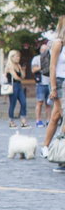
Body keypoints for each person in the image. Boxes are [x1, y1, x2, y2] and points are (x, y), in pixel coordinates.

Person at [41, 16, 65, 156]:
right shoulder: (58, 43)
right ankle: (56, 147)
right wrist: (54, 87)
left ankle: (49, 145)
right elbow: (52, 66)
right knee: (59, 114)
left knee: (56, 115)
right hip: (60, 82)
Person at [5, 50, 28, 128]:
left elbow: (23, 76)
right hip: (13, 86)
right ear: (12, 57)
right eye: (17, 56)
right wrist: (21, 79)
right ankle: (11, 120)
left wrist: (23, 70)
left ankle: (23, 120)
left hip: (19, 85)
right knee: (13, 103)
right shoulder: (9, 65)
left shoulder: (18, 65)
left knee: (23, 102)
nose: (18, 58)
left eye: (19, 56)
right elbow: (15, 76)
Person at [33, 38, 51, 127]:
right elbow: (33, 70)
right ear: (40, 50)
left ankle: (48, 120)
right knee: (39, 102)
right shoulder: (36, 58)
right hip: (40, 83)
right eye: (43, 50)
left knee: (49, 103)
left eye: (46, 50)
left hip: (49, 83)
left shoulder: (50, 58)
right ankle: (38, 120)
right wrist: (42, 66)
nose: (44, 51)